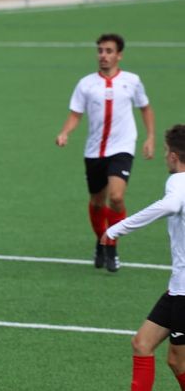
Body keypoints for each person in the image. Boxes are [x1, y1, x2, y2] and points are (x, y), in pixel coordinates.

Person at [96, 124, 185, 391]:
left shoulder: (178, 181)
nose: (164, 157)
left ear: (174, 156)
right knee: (143, 343)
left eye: (165, 153)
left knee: (179, 361)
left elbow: (169, 206)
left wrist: (119, 227)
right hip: (177, 289)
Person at [55, 33, 155, 272]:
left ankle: (112, 243)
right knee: (97, 203)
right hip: (94, 151)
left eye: (109, 51)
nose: (103, 55)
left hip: (122, 148)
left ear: (119, 55)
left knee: (117, 197)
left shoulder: (132, 80)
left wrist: (150, 136)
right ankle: (101, 240)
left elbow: (145, 108)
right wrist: (65, 132)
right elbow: (75, 114)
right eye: (100, 50)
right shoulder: (86, 84)